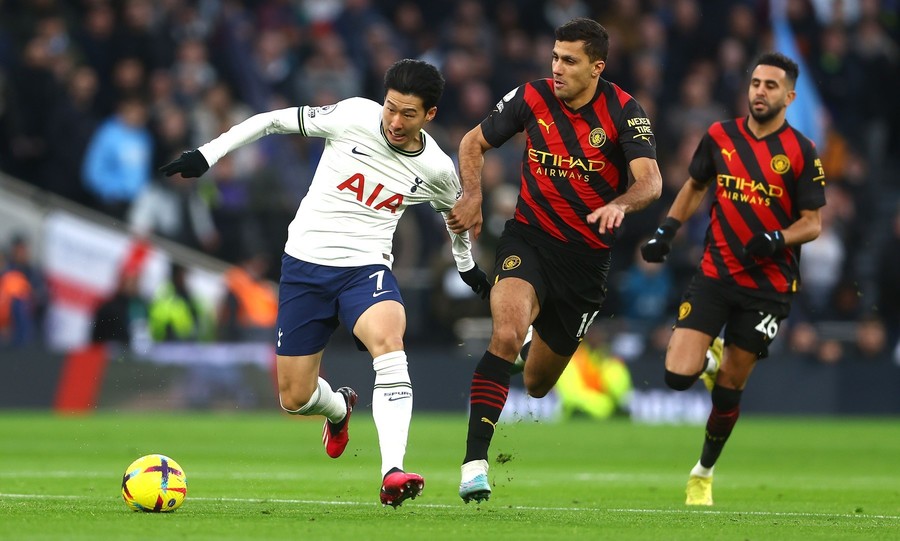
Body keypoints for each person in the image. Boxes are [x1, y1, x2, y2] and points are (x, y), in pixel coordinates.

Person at [160, 59, 490, 507]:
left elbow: (458, 218)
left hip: (366, 269)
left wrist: (466, 265)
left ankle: (392, 471)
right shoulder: (354, 116)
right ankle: (338, 408)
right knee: (294, 397)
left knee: (390, 343)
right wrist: (208, 154)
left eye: (408, 114)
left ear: (429, 115)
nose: (394, 122)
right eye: (390, 108)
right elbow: (273, 120)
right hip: (304, 268)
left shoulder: (436, 169)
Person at [447, 18, 662, 503]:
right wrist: (474, 196)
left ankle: (525, 337)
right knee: (504, 334)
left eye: (569, 60)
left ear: (597, 67)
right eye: (554, 57)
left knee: (540, 384)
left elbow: (650, 182)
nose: (557, 68)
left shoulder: (626, 112)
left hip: (585, 264)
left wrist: (619, 204)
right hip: (528, 241)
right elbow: (471, 143)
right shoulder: (532, 97)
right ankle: (473, 465)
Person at [640, 52, 826, 506]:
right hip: (716, 273)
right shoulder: (720, 136)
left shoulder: (800, 151)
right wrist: (667, 230)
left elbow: (813, 223)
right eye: (756, 83)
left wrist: (776, 238)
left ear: (789, 96)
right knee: (677, 376)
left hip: (769, 287)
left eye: (770, 85)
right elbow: (696, 185)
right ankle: (707, 359)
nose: (760, 91)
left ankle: (702, 472)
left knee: (729, 390)